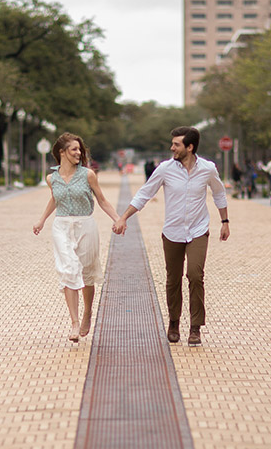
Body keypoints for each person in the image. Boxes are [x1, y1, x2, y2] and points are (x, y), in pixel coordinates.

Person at [113, 126, 229, 347]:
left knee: (195, 275)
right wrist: (123, 217)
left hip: (198, 230)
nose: (172, 147)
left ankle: (195, 327)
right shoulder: (165, 169)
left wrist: (225, 221)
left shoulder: (208, 169)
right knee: (173, 280)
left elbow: (219, 192)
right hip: (173, 232)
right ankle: (174, 322)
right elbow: (145, 193)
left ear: (190, 147)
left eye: (176, 144)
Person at [33, 133, 121, 343]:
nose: (78, 153)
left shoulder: (88, 175)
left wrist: (118, 218)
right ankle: (74, 321)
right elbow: (55, 199)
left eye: (80, 150)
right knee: (68, 270)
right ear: (62, 152)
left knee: (87, 272)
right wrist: (41, 220)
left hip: (85, 224)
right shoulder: (51, 178)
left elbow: (102, 200)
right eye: (74, 149)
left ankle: (87, 312)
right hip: (61, 225)